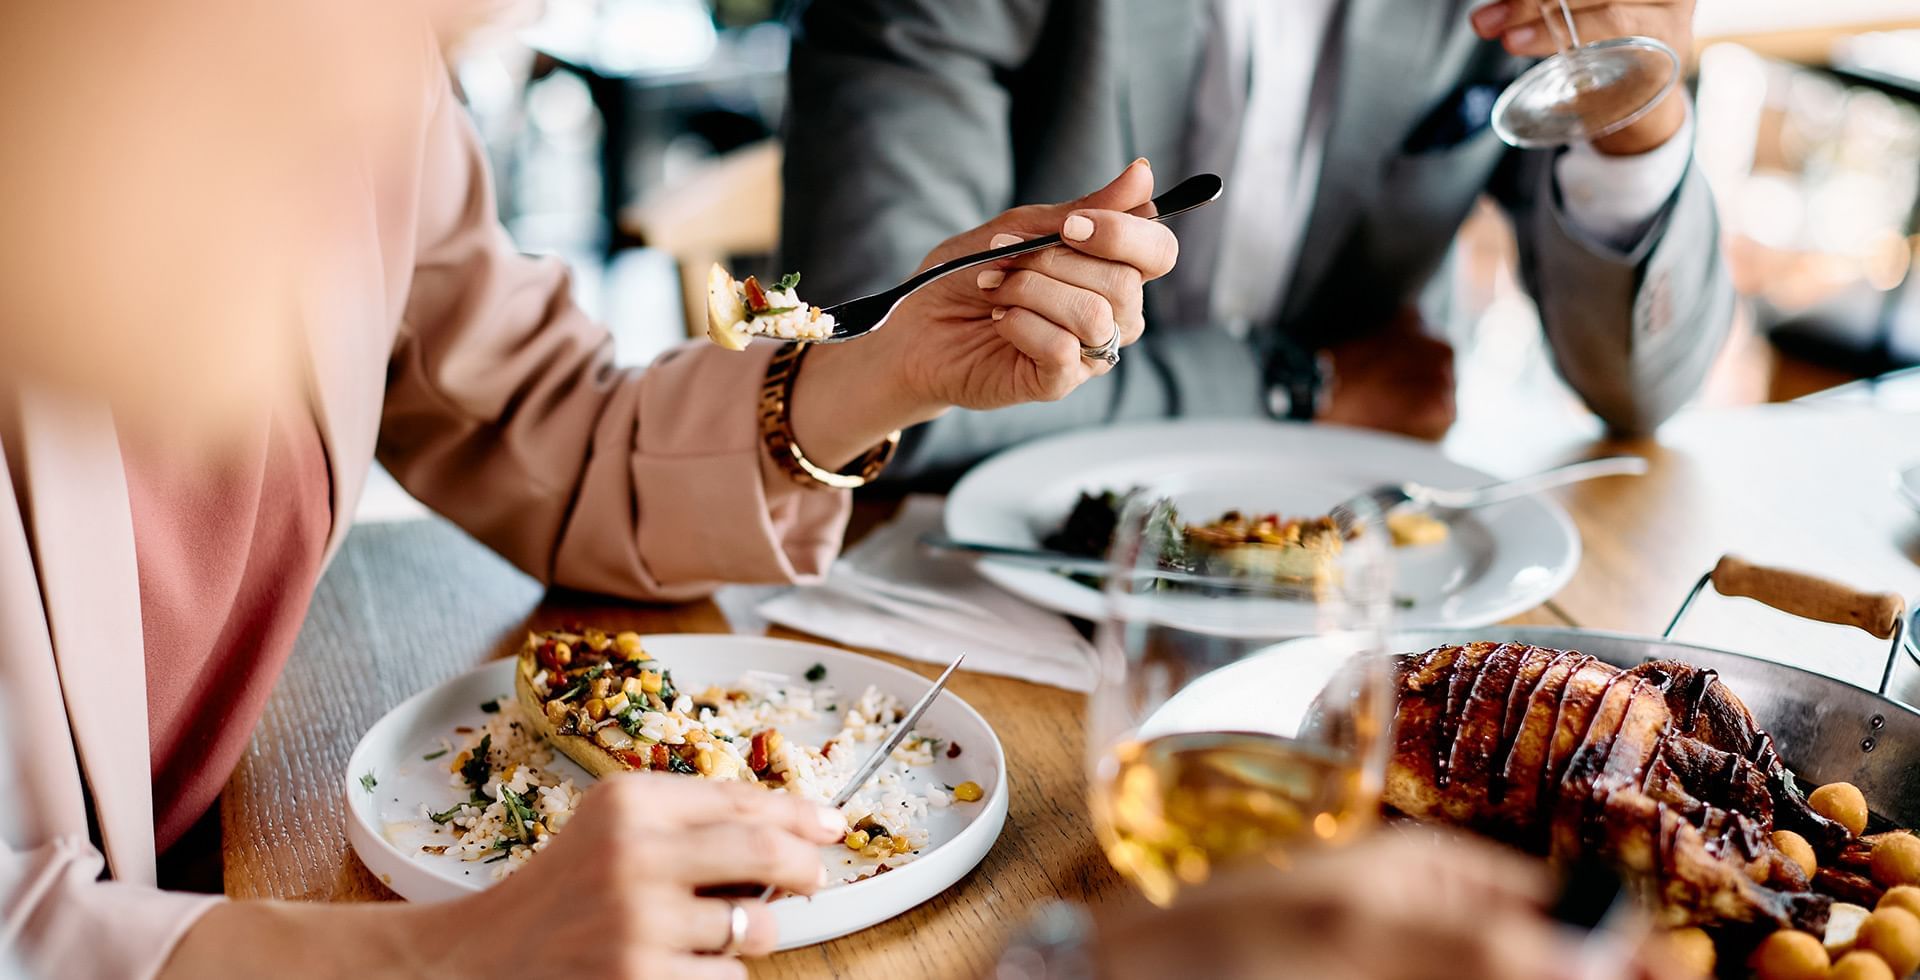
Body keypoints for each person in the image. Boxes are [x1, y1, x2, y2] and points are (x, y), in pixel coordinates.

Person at [0, 2, 1177, 975]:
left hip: (251, 849)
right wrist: (442, 955)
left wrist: (882, 371)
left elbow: (539, 418)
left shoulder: (365, 64)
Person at [783, 0, 1735, 480]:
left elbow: (1639, 390)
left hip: (1367, 570)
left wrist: (1635, 117)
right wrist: (1299, 388)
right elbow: (871, 363)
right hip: (960, 594)